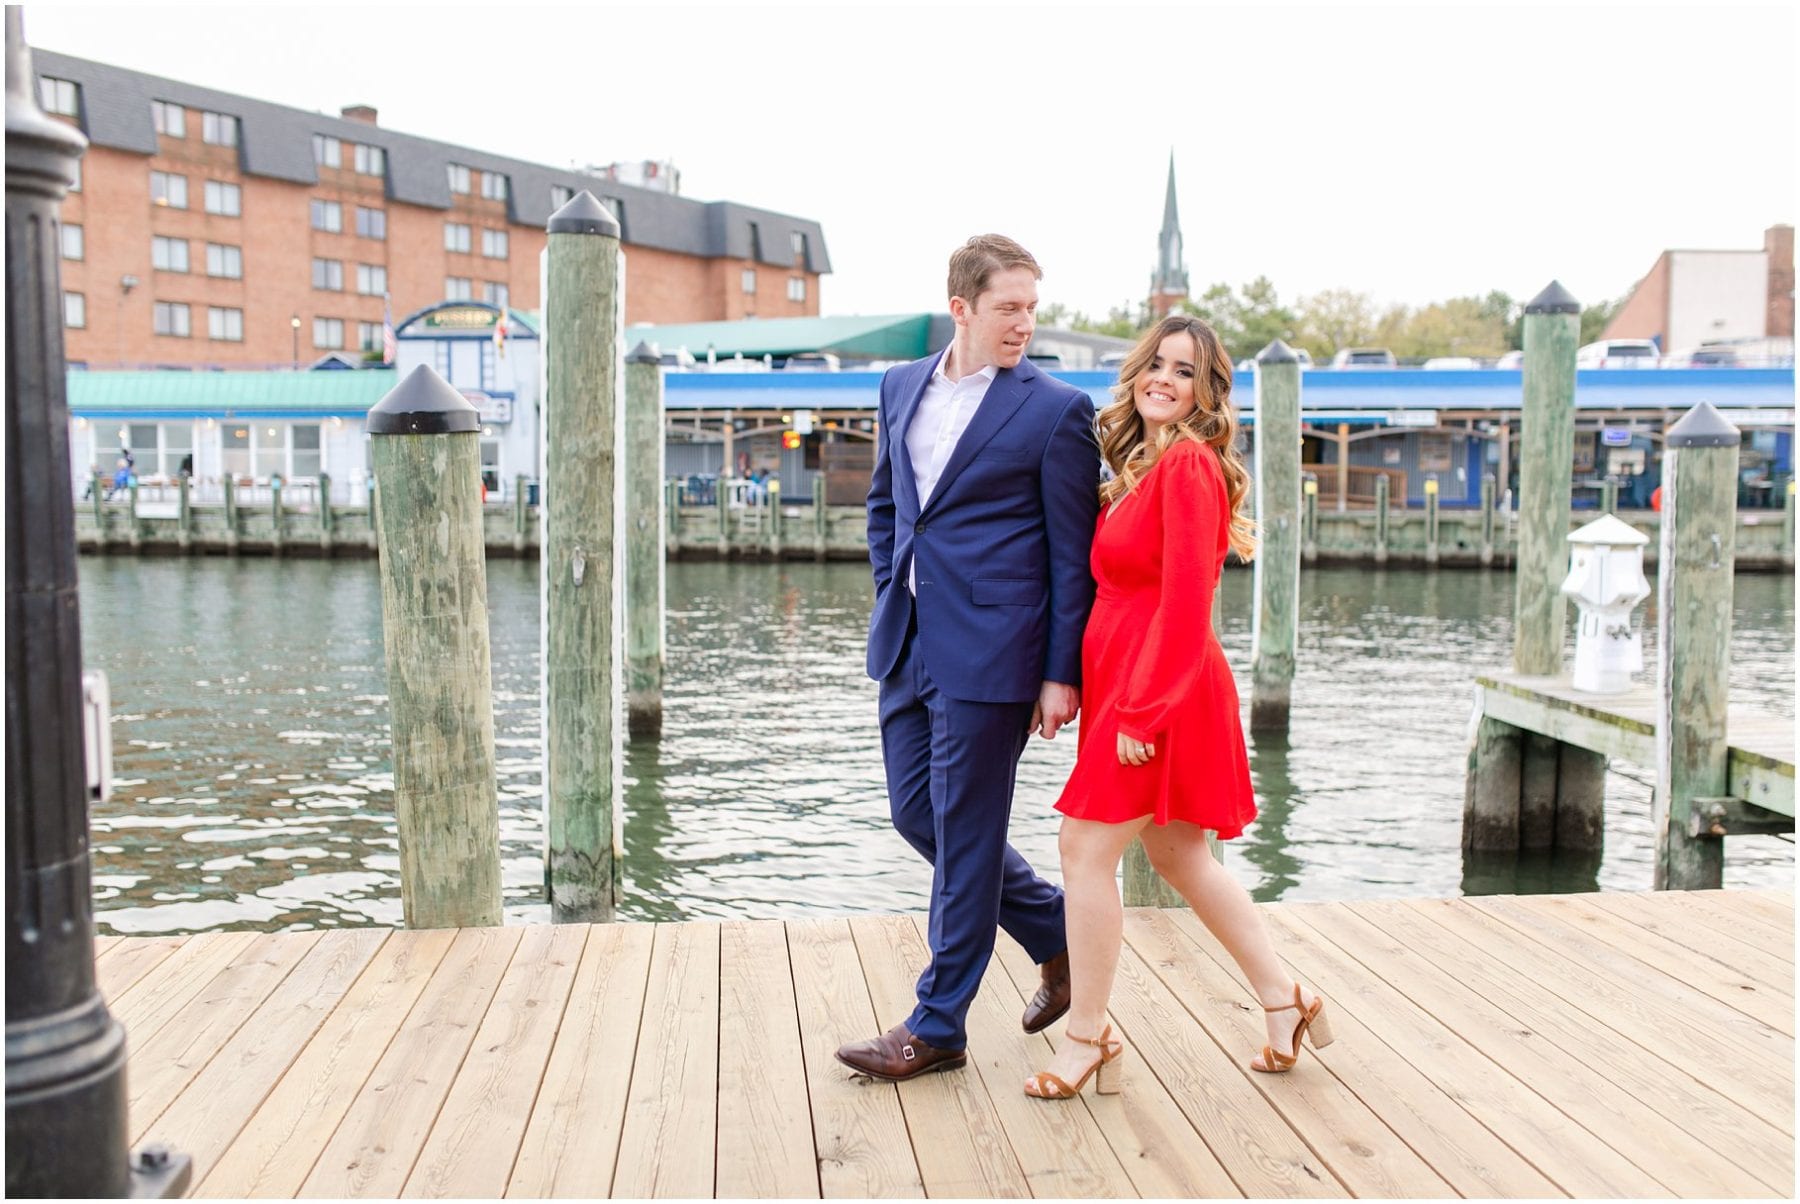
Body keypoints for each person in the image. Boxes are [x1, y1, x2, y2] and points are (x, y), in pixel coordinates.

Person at [1023, 315, 1333, 1101]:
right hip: (1132, 682)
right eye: (1156, 364)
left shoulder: (1189, 466)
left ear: (1207, 392)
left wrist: (1141, 714)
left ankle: (1087, 1035)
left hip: (1160, 690)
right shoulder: (1141, 465)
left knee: (1083, 853)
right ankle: (1283, 1002)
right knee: (1176, 855)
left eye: (1185, 371)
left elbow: (1189, 601)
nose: (1164, 378)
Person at [835, 235, 1100, 1081]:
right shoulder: (899, 384)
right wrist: (891, 586)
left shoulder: (1057, 409)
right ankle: (1057, 932)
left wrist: (1061, 675)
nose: (1024, 322)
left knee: (968, 830)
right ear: (962, 308)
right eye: (1007, 307)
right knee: (921, 817)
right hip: (907, 637)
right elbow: (888, 507)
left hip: (996, 653)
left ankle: (937, 1024)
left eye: (1031, 306)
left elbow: (1072, 555)